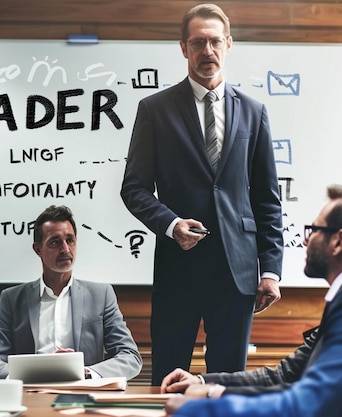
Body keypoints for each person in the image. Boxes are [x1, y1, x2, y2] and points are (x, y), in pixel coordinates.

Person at [120, 3, 284, 384]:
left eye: (214, 42)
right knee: (168, 380)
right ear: (183, 48)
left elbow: (266, 198)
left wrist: (271, 269)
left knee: (227, 384)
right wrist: (171, 223)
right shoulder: (155, 109)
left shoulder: (254, 111)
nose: (206, 51)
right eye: (198, 43)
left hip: (238, 272)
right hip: (179, 267)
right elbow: (134, 188)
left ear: (228, 44)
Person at [164, 174, 342, 416]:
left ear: (339, 241)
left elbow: (310, 401)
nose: (306, 241)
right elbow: (285, 375)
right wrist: (202, 382)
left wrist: (207, 404)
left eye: (313, 230)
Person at [0, 205, 143, 381]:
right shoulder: (12, 299)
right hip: (30, 396)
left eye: (70, 240)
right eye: (55, 242)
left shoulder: (101, 295)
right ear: (38, 249)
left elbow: (130, 357)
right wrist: (25, 375)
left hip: (83, 398)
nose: (65, 249)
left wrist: (86, 372)